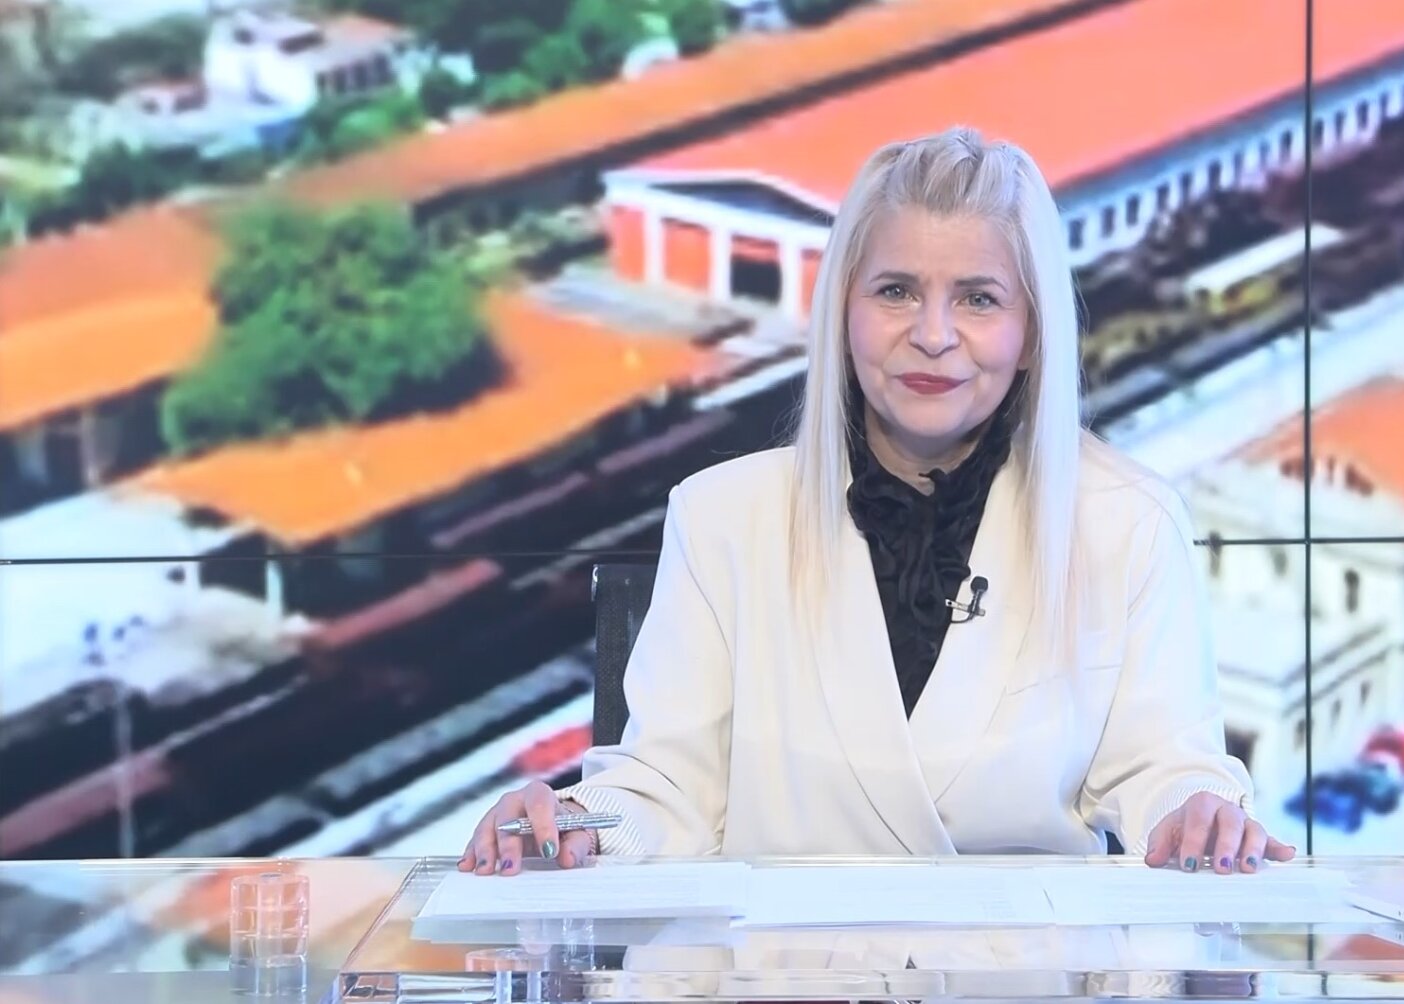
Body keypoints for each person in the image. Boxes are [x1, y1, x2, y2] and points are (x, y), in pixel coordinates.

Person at [461, 127, 1293, 878]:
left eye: (978, 298)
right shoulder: (721, 518)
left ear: (1032, 334)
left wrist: (1199, 816)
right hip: (778, 973)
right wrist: (572, 823)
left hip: (1018, 974)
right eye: (896, 291)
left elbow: (1165, 771)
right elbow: (666, 790)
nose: (932, 334)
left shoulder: (1127, 523)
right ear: (843, 313)